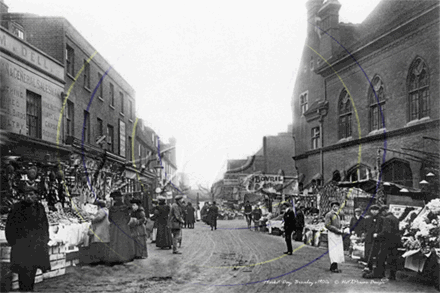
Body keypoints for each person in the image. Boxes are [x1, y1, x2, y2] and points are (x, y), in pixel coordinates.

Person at [5, 188, 51, 291]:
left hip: (36, 247)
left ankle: (29, 290)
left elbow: (45, 225)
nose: (28, 196)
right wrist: (14, 242)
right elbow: (10, 227)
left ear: (36, 196)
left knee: (32, 272)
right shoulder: (17, 208)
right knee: (23, 272)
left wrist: (45, 240)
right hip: (22, 248)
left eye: (31, 194)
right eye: (26, 194)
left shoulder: (40, 208)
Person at [364, 205, 399, 279]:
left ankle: (379, 274)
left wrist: (377, 235)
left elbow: (386, 231)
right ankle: (392, 276)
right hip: (395, 241)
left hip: (387, 241)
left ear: (384, 211)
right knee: (393, 258)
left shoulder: (387, 218)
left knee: (381, 257)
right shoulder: (395, 218)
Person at [104, 191, 135, 264]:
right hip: (124, 227)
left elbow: (110, 219)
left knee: (114, 242)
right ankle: (125, 257)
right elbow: (128, 218)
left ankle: (115, 258)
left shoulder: (111, 208)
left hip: (114, 227)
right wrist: (124, 223)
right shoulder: (125, 207)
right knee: (124, 242)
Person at [362, 204, 385, 277]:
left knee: (375, 254)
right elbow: (365, 228)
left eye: (376, 210)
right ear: (370, 210)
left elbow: (382, 229)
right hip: (369, 239)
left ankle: (375, 270)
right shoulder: (367, 218)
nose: (374, 211)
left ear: (378, 211)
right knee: (368, 253)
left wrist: (377, 234)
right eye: (373, 210)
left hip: (377, 240)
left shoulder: (381, 219)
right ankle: (369, 267)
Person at [88, 198, 111, 264]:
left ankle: (99, 260)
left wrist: (93, 218)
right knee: (103, 246)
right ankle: (102, 259)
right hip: (104, 230)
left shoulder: (102, 211)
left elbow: (99, 217)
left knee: (99, 245)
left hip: (101, 231)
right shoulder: (106, 210)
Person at [324, 201, 345, 273]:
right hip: (332, 234)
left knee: (338, 249)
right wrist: (337, 230)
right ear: (331, 207)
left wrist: (342, 228)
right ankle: (333, 267)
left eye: (337, 206)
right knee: (333, 250)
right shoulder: (329, 214)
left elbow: (339, 224)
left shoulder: (338, 215)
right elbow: (327, 225)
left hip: (338, 234)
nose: (335, 207)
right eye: (334, 206)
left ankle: (334, 266)